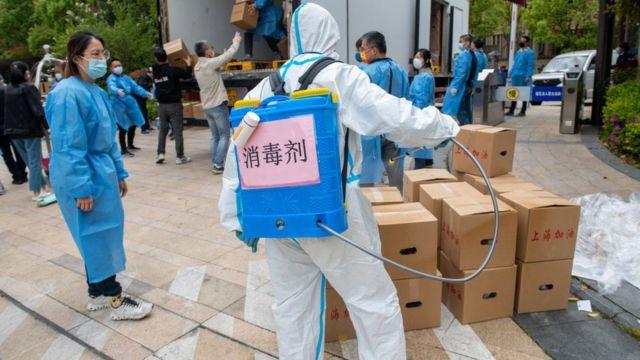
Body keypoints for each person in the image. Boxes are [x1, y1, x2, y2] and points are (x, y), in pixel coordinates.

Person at [219, 3, 459, 358]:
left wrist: (234, 215)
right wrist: (444, 127)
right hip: (332, 216)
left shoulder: (263, 88)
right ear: (330, 34)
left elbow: (236, 156)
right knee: (372, 302)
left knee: (292, 307)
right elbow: (393, 116)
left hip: (278, 217)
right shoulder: (338, 76)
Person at [46, 31, 153, 320]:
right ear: (76, 57)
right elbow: (69, 145)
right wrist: (80, 188)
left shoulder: (97, 91)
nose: (102, 59)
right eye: (95, 54)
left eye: (103, 53)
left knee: (103, 233)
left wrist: (119, 172)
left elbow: (109, 138)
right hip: (82, 174)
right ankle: (114, 299)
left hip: (102, 171)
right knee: (94, 235)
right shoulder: (67, 93)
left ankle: (96, 294)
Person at [358, 31, 410, 190]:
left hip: (371, 131)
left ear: (373, 50)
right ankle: (398, 202)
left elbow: (359, 103)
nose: (362, 53)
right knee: (394, 167)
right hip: (394, 129)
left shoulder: (366, 72)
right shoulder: (400, 70)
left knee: (366, 170)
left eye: (363, 48)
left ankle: (367, 205)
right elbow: (406, 100)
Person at [3, 61, 52, 201]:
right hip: (29, 130)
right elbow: (37, 110)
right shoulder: (29, 88)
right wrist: (46, 126)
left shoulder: (7, 90)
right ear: (25, 73)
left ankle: (42, 187)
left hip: (12, 131)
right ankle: (37, 192)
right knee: (35, 161)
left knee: (30, 161)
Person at [194, 33, 242, 174]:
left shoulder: (198, 66)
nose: (212, 49)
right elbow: (227, 56)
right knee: (224, 135)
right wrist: (236, 42)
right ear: (206, 51)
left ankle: (215, 161)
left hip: (207, 106)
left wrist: (222, 61)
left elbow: (218, 68)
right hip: (217, 105)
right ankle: (218, 164)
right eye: (210, 48)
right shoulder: (210, 63)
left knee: (215, 136)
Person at [152, 48, 193, 165]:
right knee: (177, 131)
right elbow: (187, 75)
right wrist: (189, 63)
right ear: (167, 58)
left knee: (163, 130)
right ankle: (180, 157)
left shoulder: (155, 71)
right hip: (174, 105)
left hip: (161, 106)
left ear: (156, 59)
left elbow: (156, 64)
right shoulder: (172, 70)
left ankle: (160, 153)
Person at [106, 59, 153, 157]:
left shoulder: (126, 78)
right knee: (122, 126)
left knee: (133, 124)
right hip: (117, 104)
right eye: (115, 66)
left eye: (119, 65)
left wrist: (145, 93)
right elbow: (111, 86)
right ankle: (123, 149)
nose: (118, 67)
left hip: (129, 102)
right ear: (111, 69)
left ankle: (130, 145)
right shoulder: (111, 78)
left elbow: (135, 87)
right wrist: (117, 91)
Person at [409, 49, 435, 169]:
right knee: (425, 145)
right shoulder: (425, 75)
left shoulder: (423, 77)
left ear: (426, 60)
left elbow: (421, 99)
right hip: (426, 115)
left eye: (419, 57)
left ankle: (420, 173)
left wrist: (413, 113)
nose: (416, 59)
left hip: (420, 115)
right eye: (416, 56)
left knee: (419, 146)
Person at [442, 34, 476, 125]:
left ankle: (465, 129)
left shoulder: (463, 56)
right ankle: (467, 127)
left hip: (461, 86)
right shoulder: (470, 54)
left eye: (461, 42)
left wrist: (455, 86)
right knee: (465, 108)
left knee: (460, 109)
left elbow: (461, 73)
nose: (459, 44)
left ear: (467, 42)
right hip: (467, 85)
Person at [0, 76, 28, 185]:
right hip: (12, 125)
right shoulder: (8, 90)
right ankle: (22, 173)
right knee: (19, 150)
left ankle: (16, 176)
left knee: (6, 154)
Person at [506, 35, 535, 117]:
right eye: (521, 40)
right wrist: (510, 73)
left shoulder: (530, 53)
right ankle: (511, 110)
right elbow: (515, 63)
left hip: (523, 75)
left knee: (524, 93)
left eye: (523, 41)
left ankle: (523, 111)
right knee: (513, 92)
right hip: (515, 75)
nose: (521, 42)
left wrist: (528, 75)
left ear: (527, 42)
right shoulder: (518, 52)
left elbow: (530, 65)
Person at [136, 67, 155, 134]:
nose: (153, 74)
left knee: (145, 111)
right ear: (148, 72)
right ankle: (143, 129)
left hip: (143, 96)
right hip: (138, 96)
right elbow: (141, 85)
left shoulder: (149, 77)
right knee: (142, 112)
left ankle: (147, 126)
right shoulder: (143, 76)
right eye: (152, 73)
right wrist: (151, 84)